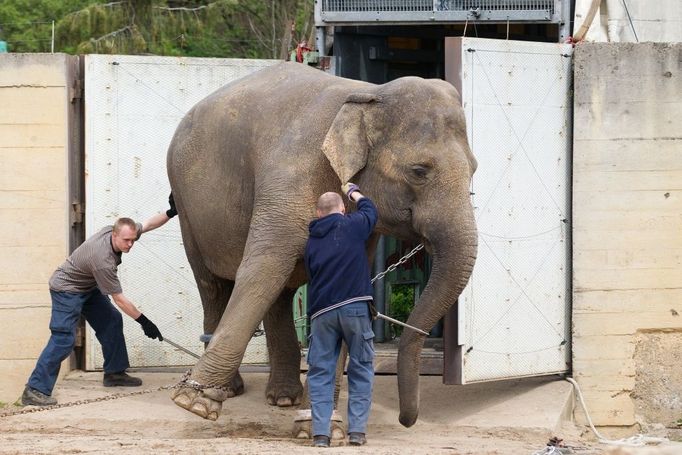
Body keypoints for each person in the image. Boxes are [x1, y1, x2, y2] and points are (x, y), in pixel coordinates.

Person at [21, 194, 179, 407]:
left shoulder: (119, 231)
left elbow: (149, 224)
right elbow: (120, 300)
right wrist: (145, 322)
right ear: (114, 235)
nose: (130, 244)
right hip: (66, 289)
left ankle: (114, 373)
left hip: (87, 285)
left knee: (111, 321)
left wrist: (171, 212)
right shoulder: (102, 259)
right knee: (63, 339)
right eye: (126, 241)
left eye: (133, 239)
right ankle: (35, 389)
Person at [304, 182, 378, 448]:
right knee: (360, 367)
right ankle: (357, 432)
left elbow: (311, 277)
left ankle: (321, 434)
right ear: (343, 209)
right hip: (356, 309)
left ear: (318, 213)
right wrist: (354, 190)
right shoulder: (353, 225)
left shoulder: (311, 241)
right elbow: (371, 209)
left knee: (321, 372)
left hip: (322, 313)